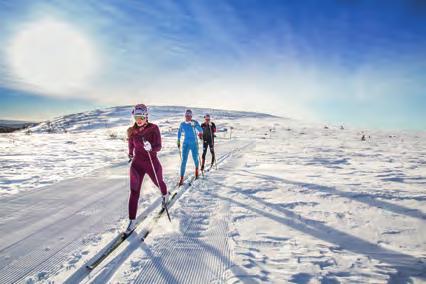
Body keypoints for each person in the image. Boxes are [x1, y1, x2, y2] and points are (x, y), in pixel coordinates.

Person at [126, 104, 168, 235]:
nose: (138, 120)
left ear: (146, 116)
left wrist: (152, 148)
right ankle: (132, 221)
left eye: (141, 117)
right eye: (136, 117)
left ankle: (165, 195)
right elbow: (130, 143)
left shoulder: (153, 128)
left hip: (151, 161)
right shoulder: (131, 130)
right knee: (134, 192)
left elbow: (159, 146)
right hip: (137, 164)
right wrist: (130, 153)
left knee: (159, 183)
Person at [177, 109, 203, 186]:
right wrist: (178, 141)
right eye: (186, 115)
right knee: (184, 161)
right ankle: (181, 178)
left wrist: (195, 125)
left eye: (189, 115)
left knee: (195, 158)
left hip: (194, 143)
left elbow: (201, 130)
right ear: (185, 116)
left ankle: (196, 170)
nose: (188, 117)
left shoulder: (194, 122)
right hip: (186, 144)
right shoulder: (182, 124)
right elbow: (179, 132)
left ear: (191, 116)